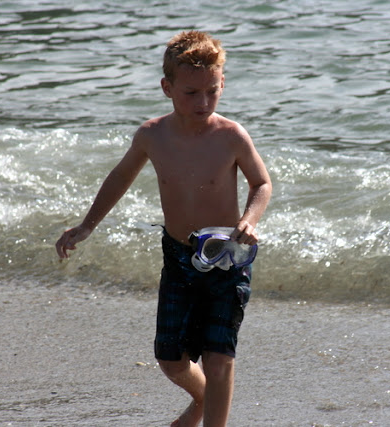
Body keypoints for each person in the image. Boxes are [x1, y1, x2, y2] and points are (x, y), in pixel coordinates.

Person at [55, 30, 272, 427]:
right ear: (167, 88)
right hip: (178, 257)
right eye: (191, 93)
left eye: (212, 91)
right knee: (171, 360)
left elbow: (261, 183)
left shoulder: (231, 136)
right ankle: (202, 400)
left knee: (218, 359)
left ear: (222, 84)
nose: (203, 102)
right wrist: (87, 225)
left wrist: (249, 219)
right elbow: (120, 178)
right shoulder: (152, 136)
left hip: (226, 257)